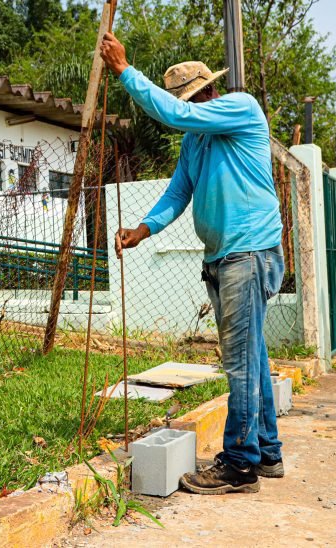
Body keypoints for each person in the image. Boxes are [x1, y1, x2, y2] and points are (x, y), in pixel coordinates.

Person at [100, 33, 285, 495]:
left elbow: (176, 114)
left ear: (208, 93)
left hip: (249, 252)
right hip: (223, 256)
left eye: (193, 98)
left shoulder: (239, 107)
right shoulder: (196, 144)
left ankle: (239, 465)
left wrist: (124, 71)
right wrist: (143, 230)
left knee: (240, 365)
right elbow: (178, 193)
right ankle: (265, 452)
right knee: (253, 358)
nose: (191, 107)